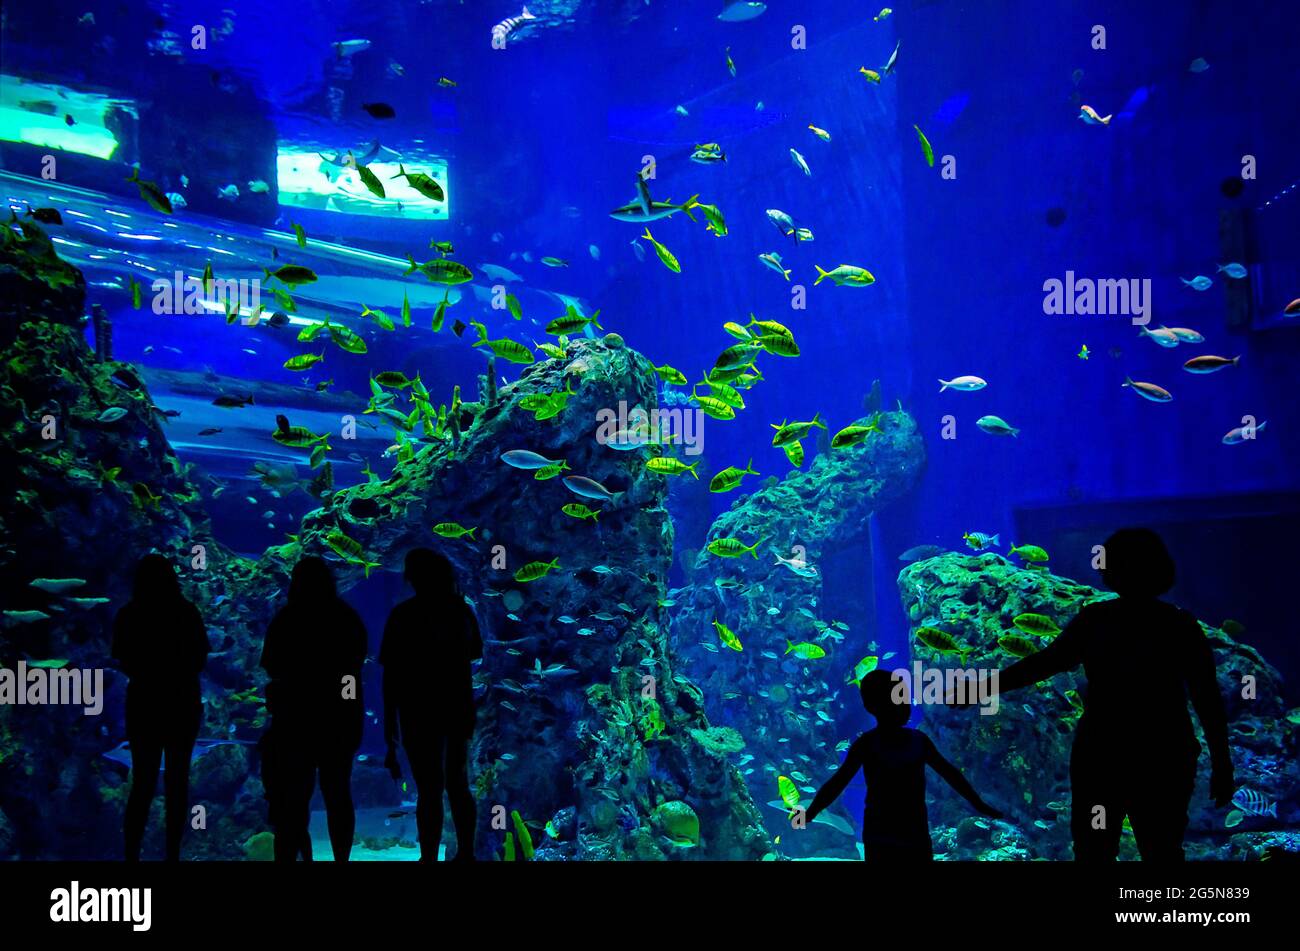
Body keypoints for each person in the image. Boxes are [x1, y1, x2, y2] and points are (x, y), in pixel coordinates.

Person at [961, 528, 1233, 860]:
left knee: (1094, 849)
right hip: (1164, 755)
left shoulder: (1097, 621)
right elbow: (1208, 699)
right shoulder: (1180, 626)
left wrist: (978, 688)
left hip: (1103, 755)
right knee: (1161, 848)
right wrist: (1222, 761)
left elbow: (1043, 664)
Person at [806, 668, 1001, 861]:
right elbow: (951, 775)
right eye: (901, 697)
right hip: (911, 831)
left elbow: (837, 783)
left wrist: (811, 812)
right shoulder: (918, 741)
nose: (906, 702)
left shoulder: (866, 743)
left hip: (881, 831)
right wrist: (977, 803)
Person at [260, 557, 367, 862]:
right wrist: (348, 711)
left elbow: (272, 669)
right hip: (338, 723)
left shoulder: (286, 619)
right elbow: (351, 673)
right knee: (338, 796)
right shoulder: (346, 618)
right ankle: (341, 860)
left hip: (294, 723)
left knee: (293, 799)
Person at [380, 548, 483, 861]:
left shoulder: (402, 616)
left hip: (417, 712)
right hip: (457, 707)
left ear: (412, 577)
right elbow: (476, 653)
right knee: (458, 784)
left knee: (429, 789)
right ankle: (466, 853)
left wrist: (389, 732)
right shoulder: (461, 611)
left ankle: (428, 857)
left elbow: (390, 679)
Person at [111, 553, 211, 861]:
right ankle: (172, 855)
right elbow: (199, 658)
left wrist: (149, 674)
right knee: (177, 780)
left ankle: (131, 854)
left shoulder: (129, 613)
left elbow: (122, 659)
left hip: (144, 703)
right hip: (182, 702)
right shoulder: (187, 612)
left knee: (142, 780)